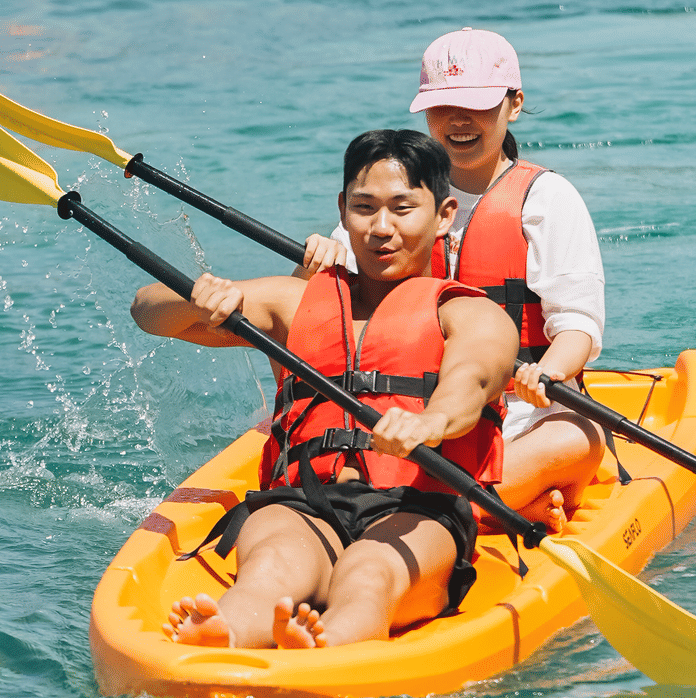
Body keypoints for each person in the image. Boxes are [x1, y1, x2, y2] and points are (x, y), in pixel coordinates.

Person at [130, 129, 518, 649]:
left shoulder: (471, 314)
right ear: (343, 208)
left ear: (444, 214)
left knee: (369, 573)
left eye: (403, 209)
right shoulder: (295, 304)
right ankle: (225, 633)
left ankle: (328, 643)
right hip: (303, 501)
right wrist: (194, 301)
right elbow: (147, 311)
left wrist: (429, 422)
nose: (382, 228)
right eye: (364, 208)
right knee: (268, 566)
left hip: (418, 510)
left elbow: (470, 383)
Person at [300, 28, 607, 532]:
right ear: (425, 111)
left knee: (579, 438)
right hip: (405, 410)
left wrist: (546, 374)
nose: (460, 122)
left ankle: (449, 506)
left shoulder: (547, 199)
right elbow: (320, 312)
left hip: (520, 415)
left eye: (478, 105)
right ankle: (491, 508)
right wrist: (321, 262)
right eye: (444, 106)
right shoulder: (390, 195)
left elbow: (578, 325)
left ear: (514, 104)